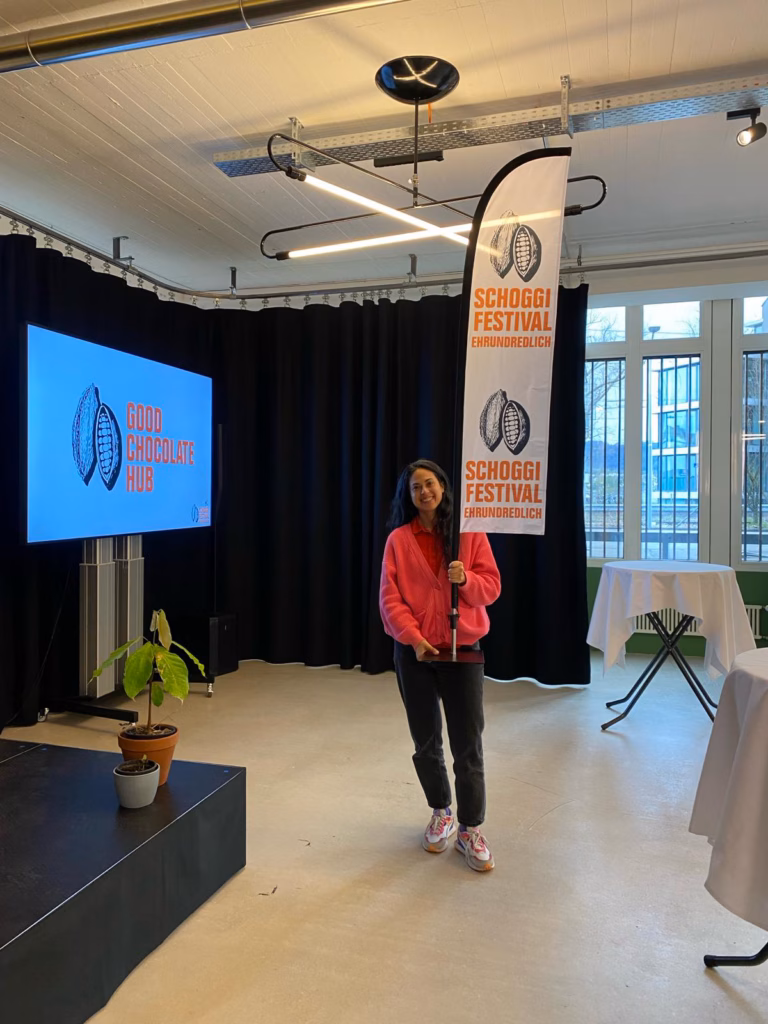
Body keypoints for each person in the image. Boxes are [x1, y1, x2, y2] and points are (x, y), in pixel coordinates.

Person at [379, 459, 501, 872]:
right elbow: (389, 597)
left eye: (429, 483)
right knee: (425, 740)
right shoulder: (398, 540)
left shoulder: (469, 534)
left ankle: (470, 828)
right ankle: (441, 811)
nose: (424, 492)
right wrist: (414, 639)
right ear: (409, 496)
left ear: (443, 487)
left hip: (461, 650)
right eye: (416, 487)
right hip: (415, 653)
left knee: (468, 743)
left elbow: (491, 588)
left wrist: (465, 580)